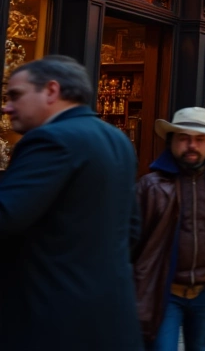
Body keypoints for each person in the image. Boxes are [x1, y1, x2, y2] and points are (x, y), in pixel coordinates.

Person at [0, 56, 142, 348]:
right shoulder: (116, 139)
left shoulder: (51, 139)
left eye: (15, 95)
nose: (7, 107)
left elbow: (7, 215)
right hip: (110, 314)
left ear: (51, 90)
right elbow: (132, 228)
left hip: (50, 318)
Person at [136, 107, 205, 349]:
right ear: (171, 141)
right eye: (184, 138)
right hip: (165, 290)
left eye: (200, 139)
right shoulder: (151, 186)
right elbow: (132, 242)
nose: (192, 145)